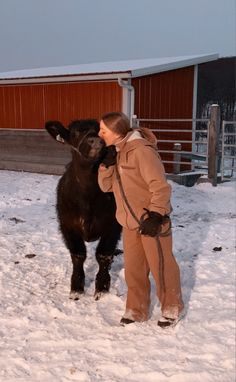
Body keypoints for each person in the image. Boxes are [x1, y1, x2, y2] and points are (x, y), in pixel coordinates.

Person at [98, 111, 184, 328]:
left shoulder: (141, 151)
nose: (100, 134)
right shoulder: (117, 152)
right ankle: (136, 310)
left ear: (116, 132)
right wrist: (106, 165)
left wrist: (156, 214)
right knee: (134, 269)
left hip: (151, 222)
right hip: (130, 223)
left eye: (103, 130)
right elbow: (105, 186)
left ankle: (171, 307)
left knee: (161, 267)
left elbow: (160, 186)